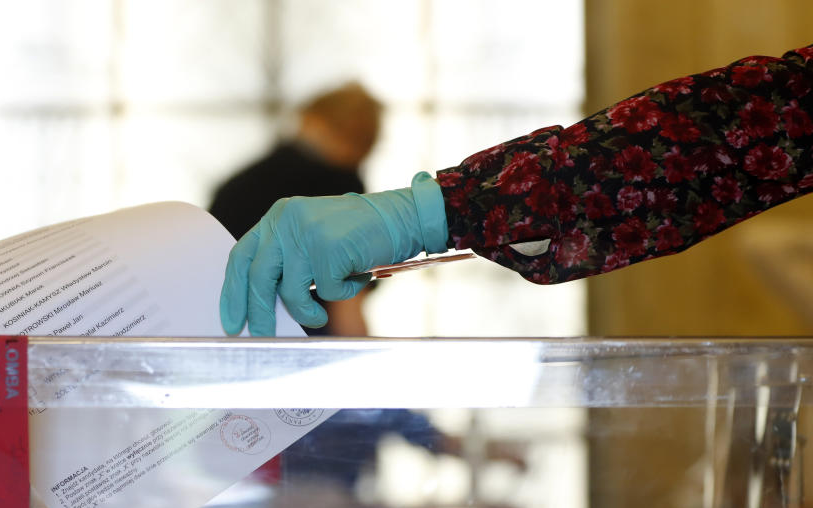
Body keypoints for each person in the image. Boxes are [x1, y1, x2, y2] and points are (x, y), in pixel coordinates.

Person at [220, 43, 813, 336]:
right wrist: (443, 210)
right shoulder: (322, 178)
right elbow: (739, 125)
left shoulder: (270, 175)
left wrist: (434, 212)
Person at [210, 81, 382, 335]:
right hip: (306, 330)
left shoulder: (243, 182)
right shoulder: (342, 184)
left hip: (230, 322)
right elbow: (347, 300)